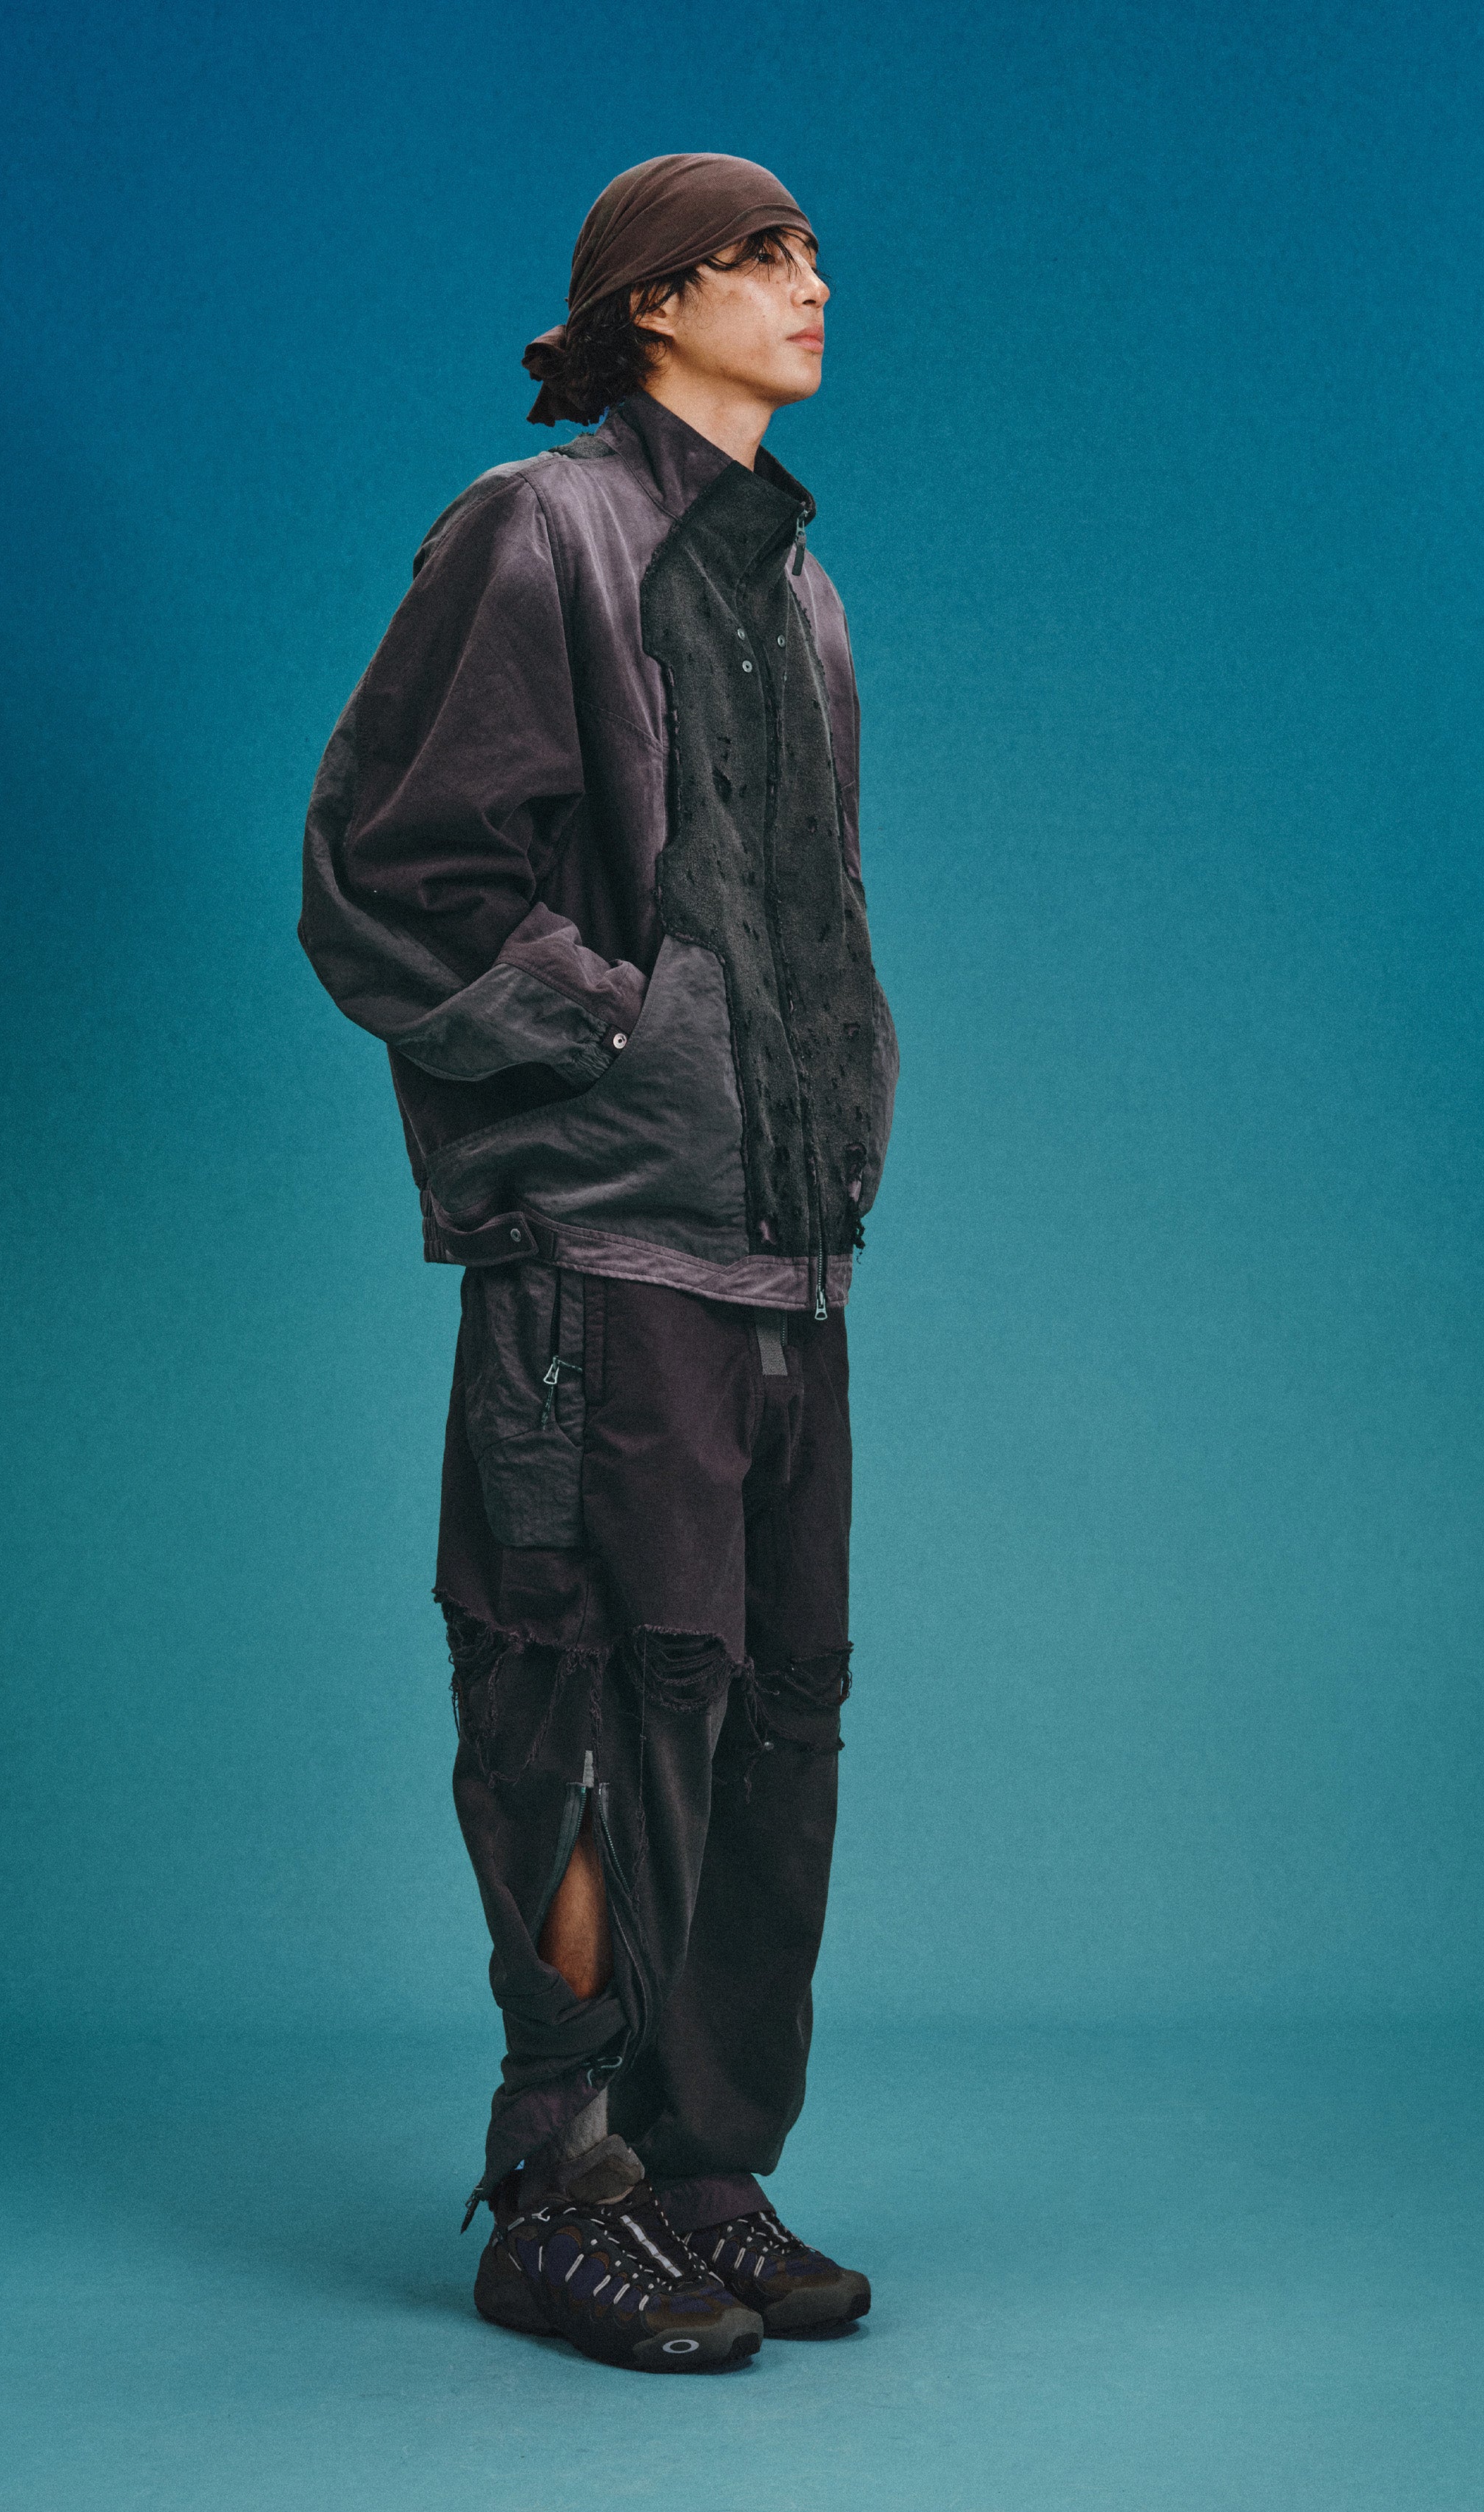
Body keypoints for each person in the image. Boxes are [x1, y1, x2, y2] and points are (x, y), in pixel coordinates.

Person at [300, 152, 898, 2374]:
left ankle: (703, 2163)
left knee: (771, 1713)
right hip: (605, 1249)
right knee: (583, 1694)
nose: (810, 282)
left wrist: (827, 1091)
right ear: (653, 301)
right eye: (762, 254)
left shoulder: (801, 587)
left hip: (785, 1251)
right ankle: (561, 2181)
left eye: (811, 249)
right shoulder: (535, 532)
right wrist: (621, 1030)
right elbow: (387, 877)